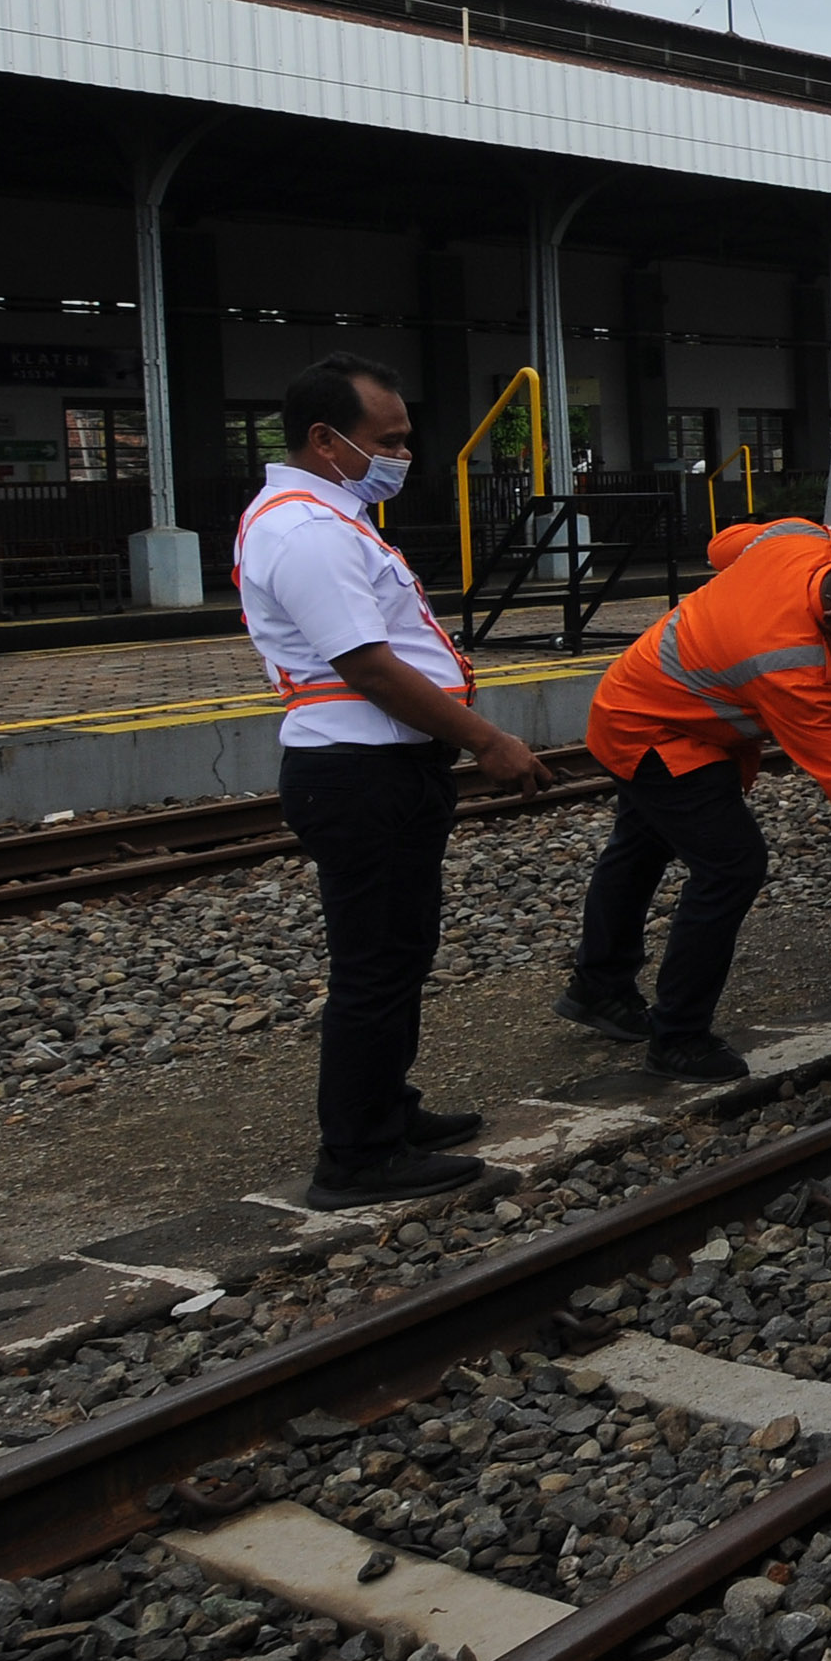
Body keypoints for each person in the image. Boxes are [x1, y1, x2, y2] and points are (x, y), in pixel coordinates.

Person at [237, 353, 548, 1209]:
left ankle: (389, 1110)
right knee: (375, 966)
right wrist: (487, 741)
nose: (403, 455)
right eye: (389, 440)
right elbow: (369, 667)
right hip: (358, 772)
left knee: (400, 953)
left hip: (382, 767)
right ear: (324, 439)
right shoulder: (306, 531)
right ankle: (358, 1156)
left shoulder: (333, 515)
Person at [560, 497, 831, 1077]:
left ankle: (599, 986)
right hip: (652, 731)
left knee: (641, 846)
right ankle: (678, 1039)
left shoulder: (802, 537)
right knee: (732, 865)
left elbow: (721, 546)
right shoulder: (789, 664)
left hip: (648, 699)